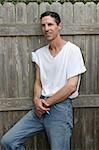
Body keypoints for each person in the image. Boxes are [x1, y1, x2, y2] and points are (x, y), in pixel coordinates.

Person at [1, 11, 86, 150]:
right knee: (9, 141)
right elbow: (39, 82)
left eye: (50, 24)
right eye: (43, 25)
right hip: (40, 108)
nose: (46, 28)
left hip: (60, 108)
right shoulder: (40, 54)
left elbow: (71, 86)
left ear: (59, 26)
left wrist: (45, 103)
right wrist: (36, 100)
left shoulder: (72, 51)